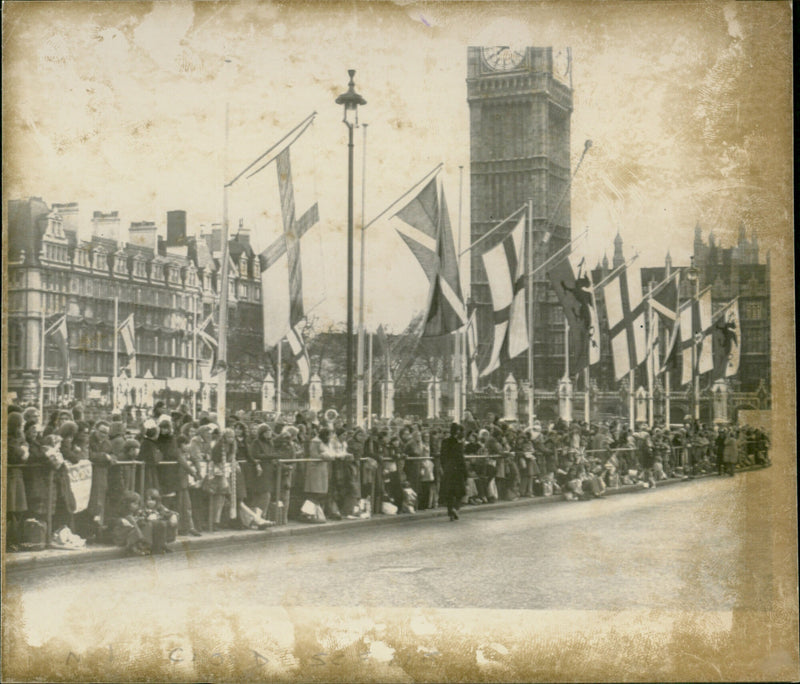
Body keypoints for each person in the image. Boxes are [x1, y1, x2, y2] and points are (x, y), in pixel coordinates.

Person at [440, 423, 467, 521]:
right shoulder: (458, 444)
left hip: (448, 469)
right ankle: (455, 508)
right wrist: (465, 471)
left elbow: (442, 456)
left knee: (449, 492)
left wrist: (444, 467)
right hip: (457, 469)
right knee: (460, 491)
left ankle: (450, 511)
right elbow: (461, 458)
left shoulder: (445, 441)